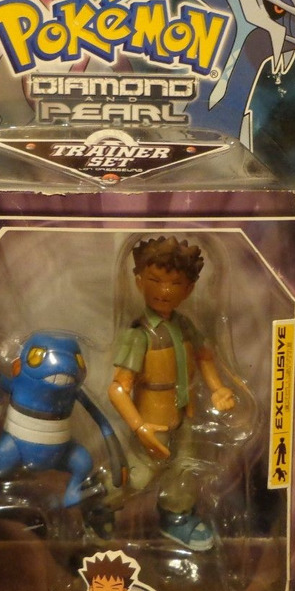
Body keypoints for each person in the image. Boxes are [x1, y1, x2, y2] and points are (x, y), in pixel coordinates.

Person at [109, 236, 235, 550]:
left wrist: (218, 388)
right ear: (139, 282)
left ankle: (176, 517)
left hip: (184, 415)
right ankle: (100, 505)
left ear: (189, 289)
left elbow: (204, 357)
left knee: (184, 471)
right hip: (152, 421)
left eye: (175, 283)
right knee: (138, 475)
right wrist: (140, 427)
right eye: (155, 280)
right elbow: (118, 388)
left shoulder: (185, 326)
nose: (165, 290)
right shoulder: (139, 335)